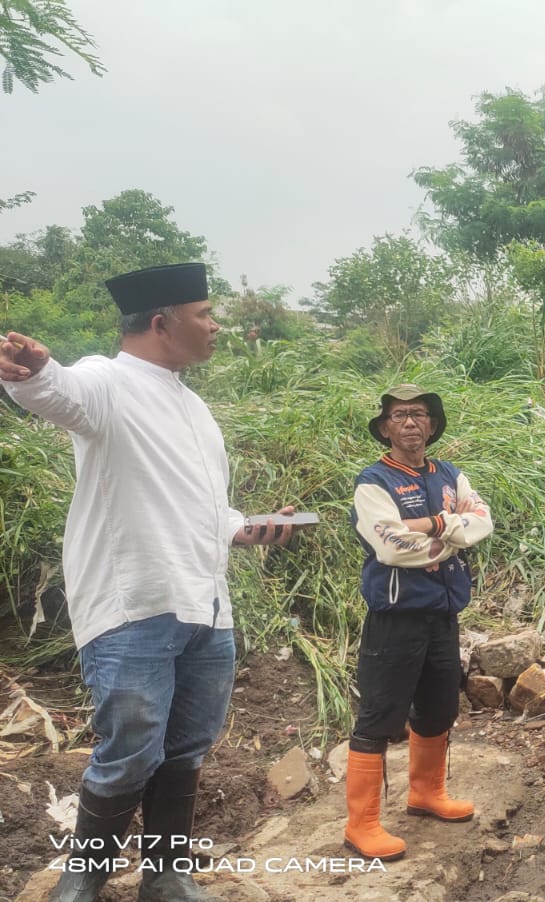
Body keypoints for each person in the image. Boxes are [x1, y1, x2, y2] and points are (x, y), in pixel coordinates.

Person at [0, 262, 301, 902]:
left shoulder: (194, 408)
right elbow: (58, 392)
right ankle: (85, 874)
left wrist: (245, 527)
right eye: (205, 314)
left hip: (207, 607)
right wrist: (31, 373)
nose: (217, 326)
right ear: (163, 323)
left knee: (187, 750)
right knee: (130, 751)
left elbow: (199, 504)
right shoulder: (107, 382)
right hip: (136, 606)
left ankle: (166, 876)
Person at [344, 385, 494, 861]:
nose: (410, 422)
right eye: (400, 415)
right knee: (379, 715)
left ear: (432, 425)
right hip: (396, 617)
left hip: (443, 613)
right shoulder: (374, 482)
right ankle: (360, 824)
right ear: (385, 427)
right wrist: (446, 528)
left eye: (420, 415)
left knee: (438, 707)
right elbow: (389, 545)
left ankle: (426, 794)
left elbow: (482, 519)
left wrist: (437, 529)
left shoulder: (450, 474)